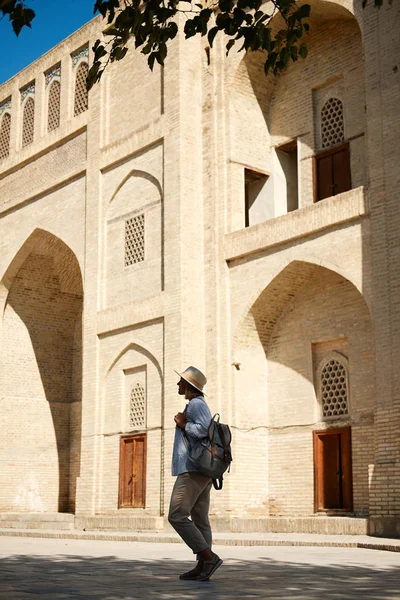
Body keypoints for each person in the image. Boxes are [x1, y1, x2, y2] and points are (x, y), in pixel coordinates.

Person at [168, 366, 223, 581]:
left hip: (193, 470)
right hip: (200, 469)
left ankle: (208, 557)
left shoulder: (196, 404)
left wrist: (183, 424)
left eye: (181, 381)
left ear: (189, 386)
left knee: (177, 515)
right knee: (200, 519)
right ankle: (203, 567)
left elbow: (204, 430)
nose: (178, 384)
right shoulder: (194, 404)